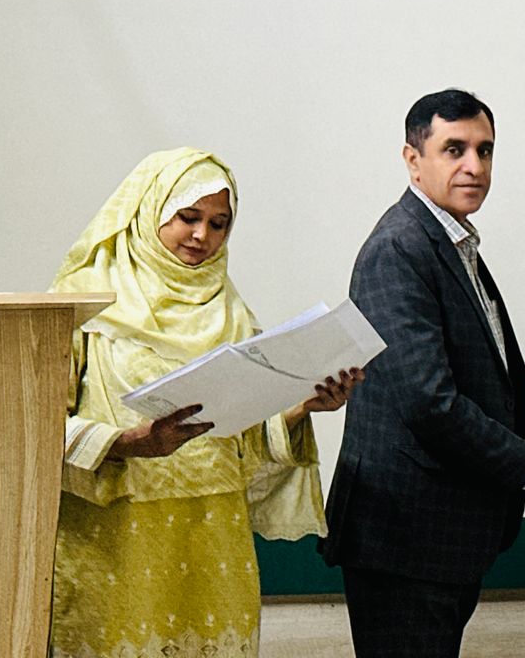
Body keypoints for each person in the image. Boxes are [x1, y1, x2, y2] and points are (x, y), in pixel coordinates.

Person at [48, 147, 360, 658]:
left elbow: (242, 433)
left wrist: (301, 407)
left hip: (213, 530)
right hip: (116, 535)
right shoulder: (83, 303)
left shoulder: (229, 310)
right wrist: (128, 442)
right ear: (150, 210)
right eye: (188, 217)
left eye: (219, 224)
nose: (202, 236)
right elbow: (37, 427)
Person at [321, 89, 525, 658]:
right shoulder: (399, 248)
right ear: (413, 159)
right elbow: (429, 402)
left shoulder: (449, 238)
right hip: (405, 532)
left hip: (438, 530)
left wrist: (520, 391)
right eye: (454, 149)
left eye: (485, 150)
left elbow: (450, 365)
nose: (475, 165)